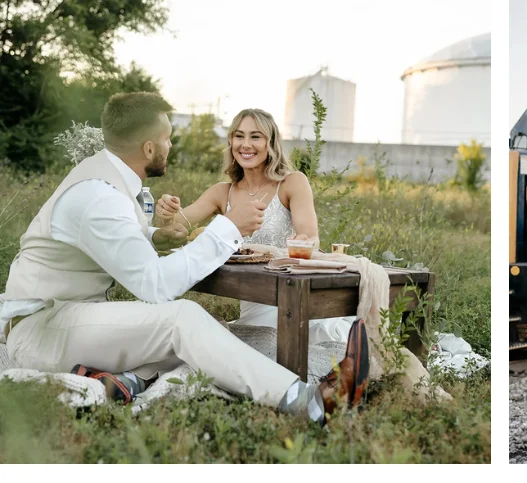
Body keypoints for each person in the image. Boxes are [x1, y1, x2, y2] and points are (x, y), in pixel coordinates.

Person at [0, 93, 366, 421]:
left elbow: (123, 237)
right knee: (182, 318)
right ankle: (308, 402)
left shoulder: (103, 183)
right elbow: (155, 286)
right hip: (42, 329)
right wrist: (228, 227)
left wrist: (158, 234)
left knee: (205, 335)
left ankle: (127, 382)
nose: (170, 144)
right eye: (166, 138)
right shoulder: (100, 197)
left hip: (65, 316)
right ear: (148, 148)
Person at [153, 108, 436, 392]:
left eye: (256, 136)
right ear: (231, 142)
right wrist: (166, 211)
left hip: (291, 293)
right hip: (252, 299)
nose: (246, 144)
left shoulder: (291, 182)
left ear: (271, 143)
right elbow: (177, 226)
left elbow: (310, 238)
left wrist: (283, 246)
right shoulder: (221, 192)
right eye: (239, 136)